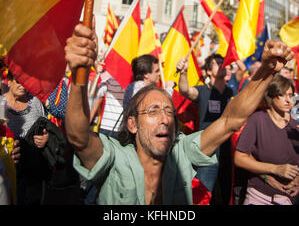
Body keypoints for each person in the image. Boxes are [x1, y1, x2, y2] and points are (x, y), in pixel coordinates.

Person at [64, 22, 293, 205]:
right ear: (132, 124)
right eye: (153, 110)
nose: (165, 118)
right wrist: (78, 73)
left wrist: (267, 70)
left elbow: (231, 120)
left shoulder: (182, 152)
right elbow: (79, 136)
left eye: (168, 111)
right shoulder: (115, 158)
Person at [177, 53, 234, 204]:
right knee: (203, 195)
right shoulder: (203, 91)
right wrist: (183, 72)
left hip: (228, 153)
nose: (224, 66)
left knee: (225, 196)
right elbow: (185, 90)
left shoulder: (232, 93)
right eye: (218, 63)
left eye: (225, 63)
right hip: (207, 154)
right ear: (209, 71)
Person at [234, 74, 299, 205]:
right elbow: (240, 158)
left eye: (291, 95)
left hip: (290, 198)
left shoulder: (296, 124)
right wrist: (273, 169)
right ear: (271, 96)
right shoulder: (258, 119)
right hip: (259, 195)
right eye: (282, 95)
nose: (288, 100)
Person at [0, 71, 49, 204]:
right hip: (9, 169)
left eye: (26, 81)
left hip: (33, 168)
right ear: (8, 81)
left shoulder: (36, 102)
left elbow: (45, 129)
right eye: (18, 81)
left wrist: (44, 139)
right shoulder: (0, 104)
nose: (23, 85)